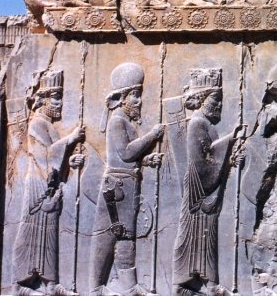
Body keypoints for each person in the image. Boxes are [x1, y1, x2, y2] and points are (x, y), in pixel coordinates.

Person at [89, 63, 165, 296]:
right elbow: (126, 153)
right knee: (108, 235)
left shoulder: (125, 122)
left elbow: (127, 158)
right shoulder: (117, 121)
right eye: (135, 95)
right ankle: (95, 288)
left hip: (127, 185)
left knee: (126, 236)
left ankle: (129, 285)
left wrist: (147, 160)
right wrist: (152, 136)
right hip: (116, 188)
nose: (139, 101)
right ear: (122, 99)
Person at [173, 69, 245, 295]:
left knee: (207, 236)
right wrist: (230, 141)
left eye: (220, 100)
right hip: (198, 190)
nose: (219, 105)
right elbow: (201, 164)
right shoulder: (197, 123)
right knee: (193, 236)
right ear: (202, 99)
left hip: (206, 190)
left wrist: (230, 159)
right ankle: (185, 284)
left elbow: (212, 158)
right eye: (215, 100)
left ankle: (209, 283)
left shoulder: (206, 124)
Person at [13, 70, 85, 296]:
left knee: (50, 234)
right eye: (55, 97)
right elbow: (44, 156)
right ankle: (22, 285)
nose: (60, 103)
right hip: (38, 186)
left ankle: (51, 283)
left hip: (49, 185)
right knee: (31, 232)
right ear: (42, 99)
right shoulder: (37, 123)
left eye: (60, 97)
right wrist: (71, 139)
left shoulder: (49, 125)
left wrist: (70, 162)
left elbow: (54, 159)